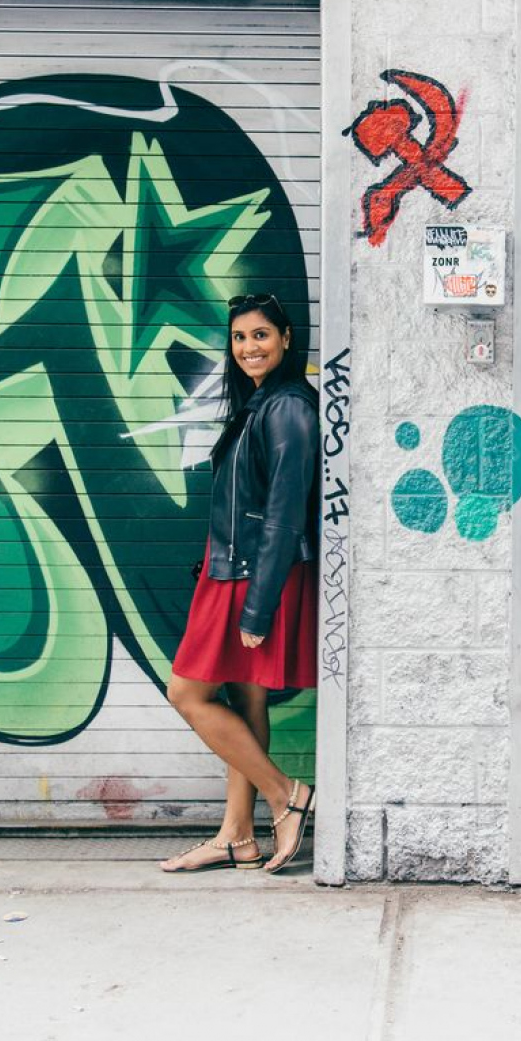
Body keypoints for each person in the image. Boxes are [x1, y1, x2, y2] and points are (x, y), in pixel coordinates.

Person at [161, 294, 320, 876]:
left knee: (187, 693)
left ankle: (286, 795)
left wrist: (257, 609)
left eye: (261, 335)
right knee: (245, 695)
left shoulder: (289, 409)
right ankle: (236, 837)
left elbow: (284, 514)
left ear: (285, 338)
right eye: (238, 338)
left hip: (251, 576)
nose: (249, 347)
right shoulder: (260, 402)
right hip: (229, 568)